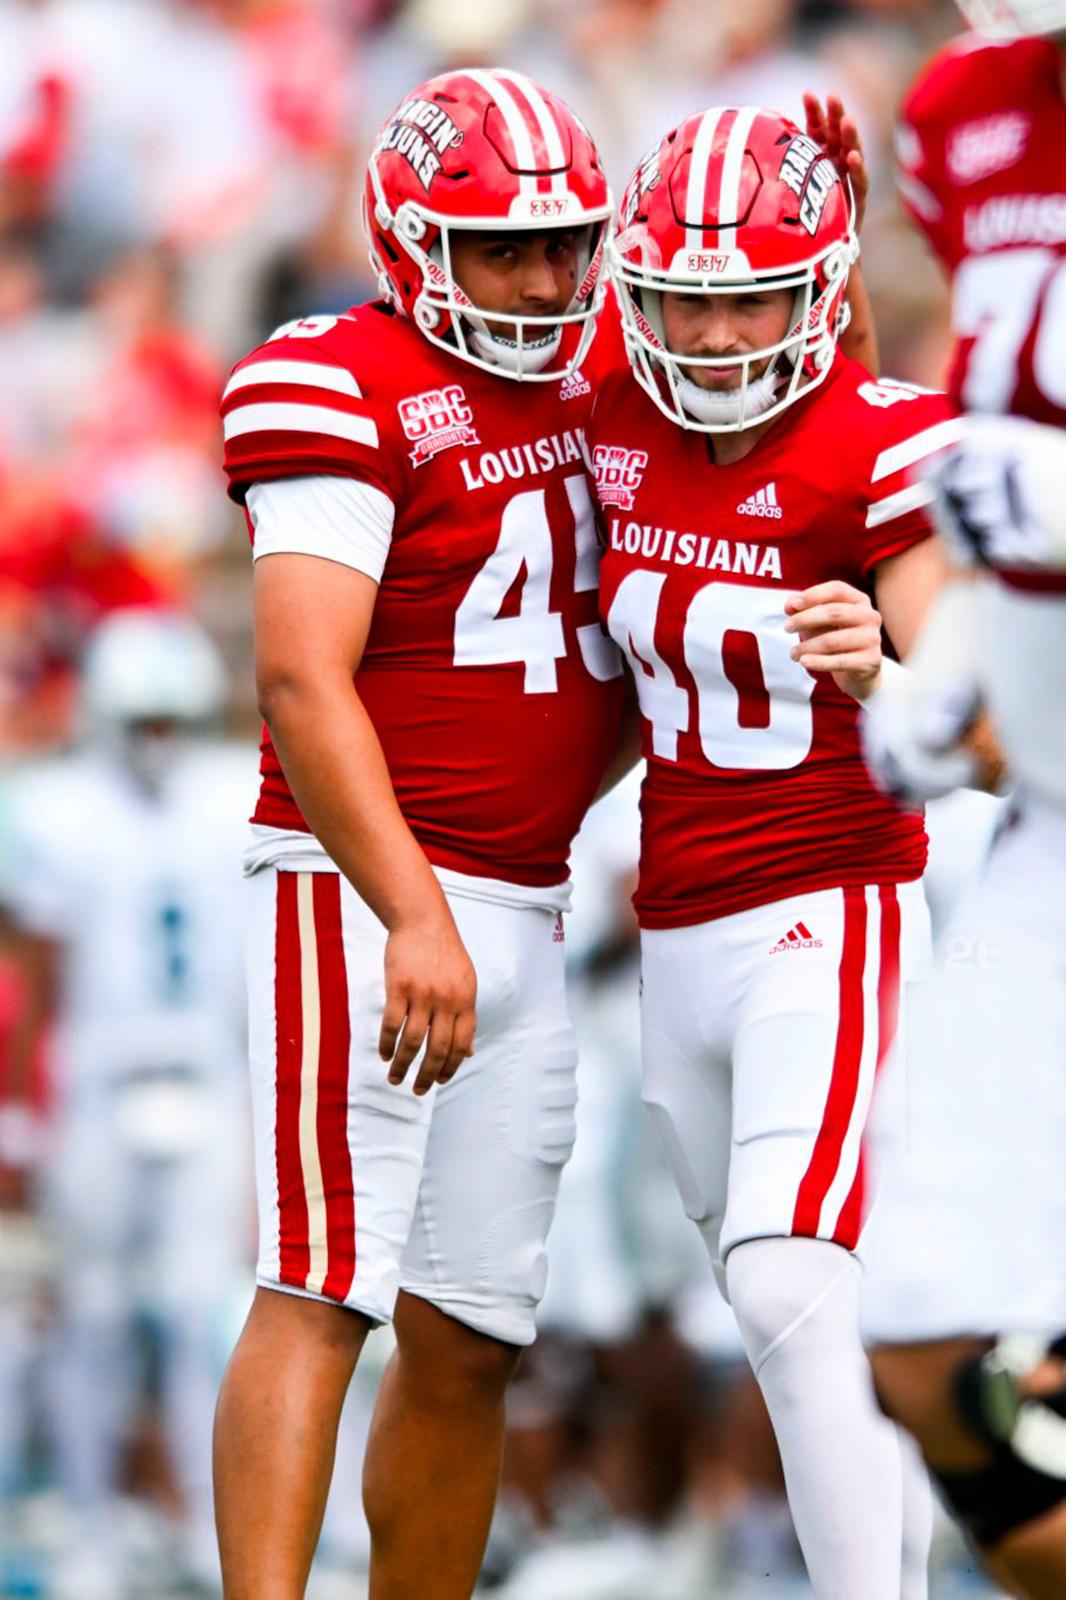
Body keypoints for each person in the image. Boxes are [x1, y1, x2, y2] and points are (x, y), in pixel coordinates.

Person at [213, 69, 629, 1600]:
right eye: (498, 249)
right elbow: (297, 677)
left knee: (471, 1337)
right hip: (364, 886)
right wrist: (412, 910)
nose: (539, 279)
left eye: (564, 245)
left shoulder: (610, 368)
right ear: (408, 239)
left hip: (522, 898)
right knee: (321, 1286)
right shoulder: (340, 377)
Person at [587, 104, 958, 1599]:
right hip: (674, 926)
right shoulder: (616, 424)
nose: (718, 329)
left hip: (832, 899)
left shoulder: (882, 443)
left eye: (754, 292)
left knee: (791, 1277)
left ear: (820, 287)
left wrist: (881, 673)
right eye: (686, 294)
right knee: (800, 1319)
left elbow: (977, 726)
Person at [860, 2, 1066, 1593]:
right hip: (1049, 818)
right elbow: (1007, 462)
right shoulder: (969, 108)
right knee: (925, 1346)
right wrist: (965, 655)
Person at [0, 609, 254, 1598]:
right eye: (140, 721)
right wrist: (21, 1109)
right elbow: (38, 977)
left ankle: (208, 1522)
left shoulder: (235, 790)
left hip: (210, 1075)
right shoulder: (54, 807)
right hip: (101, 1081)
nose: (157, 741)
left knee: (205, 1317)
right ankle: (93, 1524)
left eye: (170, 721)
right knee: (94, 1314)